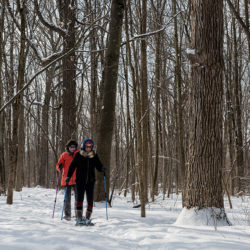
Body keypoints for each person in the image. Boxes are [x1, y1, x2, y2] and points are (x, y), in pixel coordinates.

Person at [65, 138, 106, 225]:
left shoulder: (94, 156)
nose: (88, 148)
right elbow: (72, 166)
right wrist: (68, 176)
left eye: (90, 147)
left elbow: (98, 165)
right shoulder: (79, 155)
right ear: (84, 146)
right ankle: (79, 218)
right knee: (80, 198)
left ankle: (87, 218)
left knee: (90, 200)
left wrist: (102, 168)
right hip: (80, 181)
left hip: (91, 181)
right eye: (87, 146)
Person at [56, 139, 78, 221]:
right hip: (67, 179)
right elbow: (58, 165)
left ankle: (78, 214)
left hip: (77, 179)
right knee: (67, 198)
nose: (72, 148)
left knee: (78, 198)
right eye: (71, 147)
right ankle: (67, 215)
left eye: (74, 147)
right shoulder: (64, 155)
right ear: (68, 147)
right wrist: (59, 167)